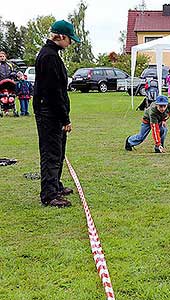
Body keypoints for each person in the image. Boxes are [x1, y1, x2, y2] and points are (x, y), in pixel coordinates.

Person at [33, 20, 81, 208]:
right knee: (51, 153)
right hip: (49, 113)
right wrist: (64, 118)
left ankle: (56, 185)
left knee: (58, 151)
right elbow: (53, 91)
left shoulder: (51, 54)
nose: (70, 43)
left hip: (51, 111)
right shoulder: (49, 57)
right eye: (69, 39)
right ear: (60, 36)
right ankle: (49, 194)